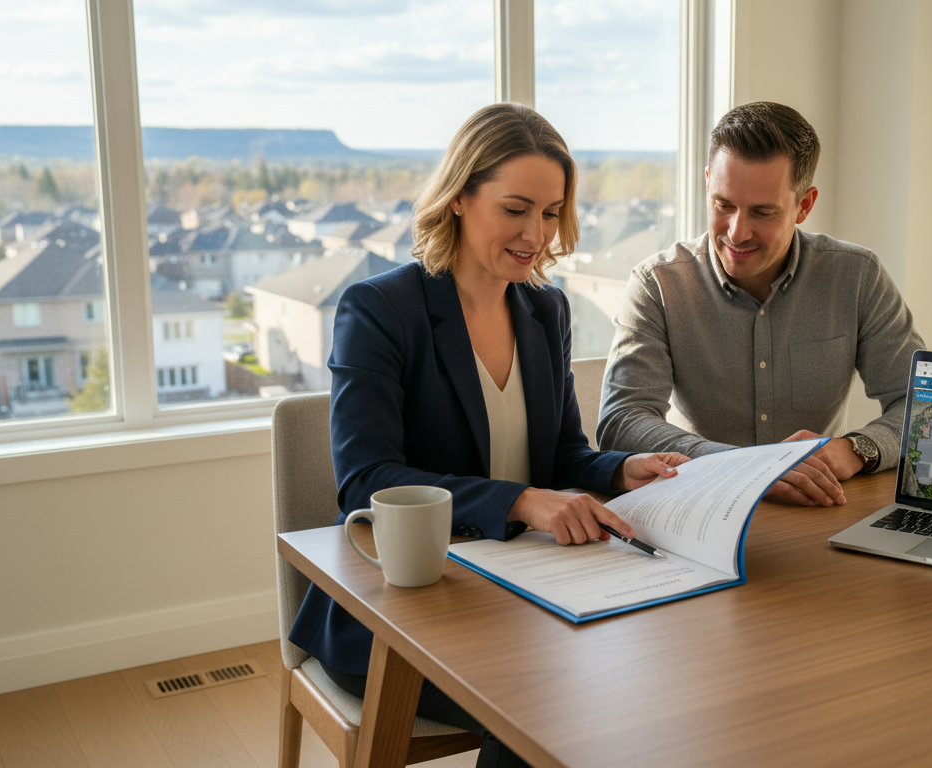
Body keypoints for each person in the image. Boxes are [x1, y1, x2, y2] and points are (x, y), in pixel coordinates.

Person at [288, 103, 687, 768]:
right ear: (458, 200)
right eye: (515, 208)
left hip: (517, 587)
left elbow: (560, 456)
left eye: (552, 211)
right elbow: (366, 479)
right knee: (547, 709)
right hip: (402, 605)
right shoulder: (380, 310)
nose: (537, 232)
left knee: (643, 680)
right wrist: (520, 502)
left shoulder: (544, 308)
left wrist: (621, 470)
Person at [597, 101, 925, 506]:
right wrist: (747, 467)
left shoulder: (855, 276)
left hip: (818, 511)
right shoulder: (657, 285)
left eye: (763, 212)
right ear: (706, 184)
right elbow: (621, 421)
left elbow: (924, 404)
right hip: (702, 504)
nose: (737, 232)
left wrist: (856, 449)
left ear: (804, 205)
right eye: (724, 205)